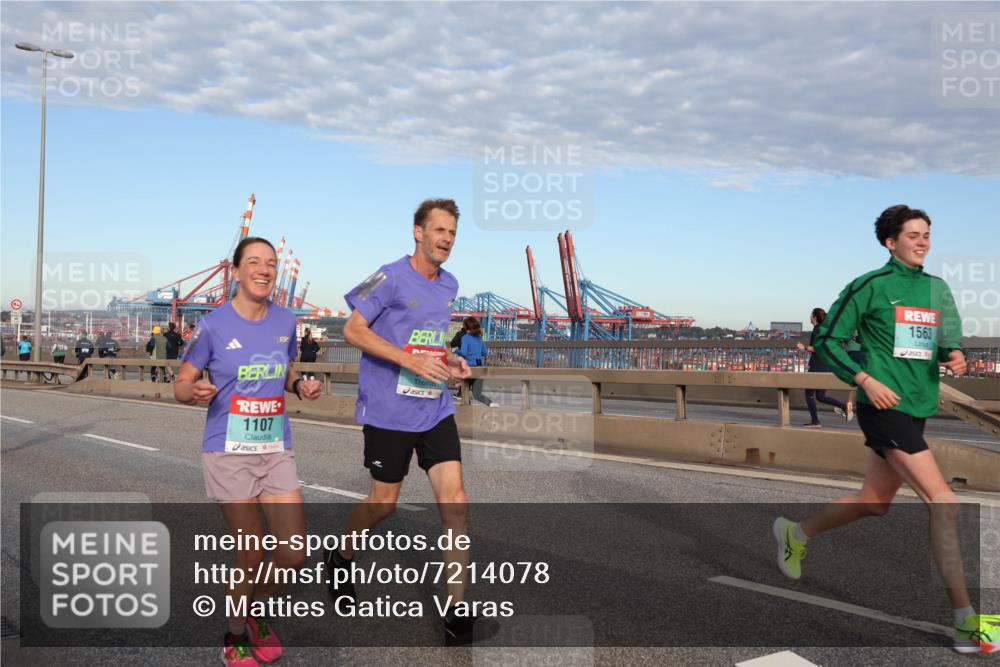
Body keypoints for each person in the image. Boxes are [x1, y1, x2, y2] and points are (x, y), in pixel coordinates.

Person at [772, 205, 998, 655]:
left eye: (927, 234)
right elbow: (827, 341)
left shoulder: (937, 290)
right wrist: (864, 379)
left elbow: (945, 347)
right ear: (890, 242)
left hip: (916, 407)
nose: (922, 241)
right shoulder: (870, 287)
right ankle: (966, 623)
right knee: (945, 504)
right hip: (882, 406)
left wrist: (955, 357)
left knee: (874, 504)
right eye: (912, 235)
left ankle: (794, 534)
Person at [325, 198, 496, 646]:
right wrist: (407, 361)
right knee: (383, 504)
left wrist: (452, 361)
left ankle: (456, 614)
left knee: (456, 502)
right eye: (439, 230)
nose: (446, 240)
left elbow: (430, 344)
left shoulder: (450, 284)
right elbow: (353, 331)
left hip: (434, 407)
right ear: (417, 232)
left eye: (453, 233)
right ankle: (340, 556)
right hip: (388, 410)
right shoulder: (388, 275)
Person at [175, 237, 322, 667]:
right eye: (254, 262)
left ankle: (255, 607)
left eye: (271, 263)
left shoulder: (286, 319)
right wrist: (192, 392)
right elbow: (182, 381)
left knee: (294, 552)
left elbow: (288, 369)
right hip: (228, 450)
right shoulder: (214, 325)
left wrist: (300, 385)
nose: (264, 269)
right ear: (236, 271)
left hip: (275, 447)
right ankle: (234, 634)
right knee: (252, 547)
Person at [796, 308, 852, 427]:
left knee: (808, 393)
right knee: (820, 396)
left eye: (811, 315)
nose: (809, 317)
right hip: (826, 365)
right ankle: (844, 406)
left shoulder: (817, 330)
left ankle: (815, 421)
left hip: (817, 365)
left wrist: (804, 347)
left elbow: (818, 348)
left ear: (815, 318)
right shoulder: (825, 330)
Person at [455, 317, 496, 407]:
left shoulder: (465, 338)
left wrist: (457, 351)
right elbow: (485, 353)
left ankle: (467, 412)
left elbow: (464, 353)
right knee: (477, 394)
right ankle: (491, 403)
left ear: (466, 327)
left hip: (469, 368)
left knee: (464, 392)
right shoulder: (479, 338)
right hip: (479, 367)